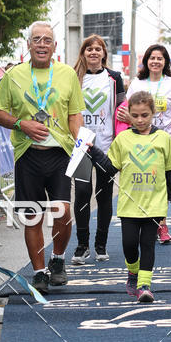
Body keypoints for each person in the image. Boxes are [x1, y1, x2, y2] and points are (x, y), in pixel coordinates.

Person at [0, 21, 84, 294]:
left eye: (47, 40)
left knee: (63, 210)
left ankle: (58, 258)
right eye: (37, 39)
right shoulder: (13, 76)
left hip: (60, 153)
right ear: (28, 45)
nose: (42, 44)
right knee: (32, 216)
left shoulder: (67, 74)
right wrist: (22, 124)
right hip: (27, 154)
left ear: (55, 46)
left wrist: (80, 140)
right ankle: (40, 272)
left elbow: (74, 114)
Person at [89, 91, 171, 302]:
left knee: (147, 244)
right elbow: (110, 168)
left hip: (154, 204)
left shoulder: (163, 138)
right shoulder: (122, 139)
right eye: (136, 115)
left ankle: (144, 286)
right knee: (129, 244)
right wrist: (94, 153)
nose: (140, 120)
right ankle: (133, 271)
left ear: (153, 114)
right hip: (129, 204)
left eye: (145, 115)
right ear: (129, 114)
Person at [117, 44, 171, 244]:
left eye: (160, 58)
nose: (156, 61)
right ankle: (144, 222)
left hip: (166, 139)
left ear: (165, 62)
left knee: (162, 182)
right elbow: (125, 112)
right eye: (152, 58)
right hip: (140, 139)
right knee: (148, 181)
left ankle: (162, 226)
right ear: (146, 61)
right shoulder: (137, 84)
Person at [71, 35, 125, 264]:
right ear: (83, 53)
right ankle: (82, 246)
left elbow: (122, 109)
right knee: (82, 194)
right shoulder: (74, 77)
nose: (93, 52)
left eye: (98, 49)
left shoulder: (115, 78)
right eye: (89, 49)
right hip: (82, 144)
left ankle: (100, 245)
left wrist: (121, 138)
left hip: (107, 146)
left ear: (104, 53)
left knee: (103, 196)